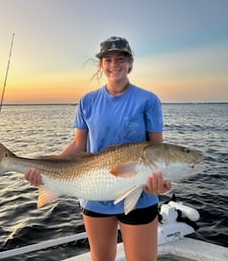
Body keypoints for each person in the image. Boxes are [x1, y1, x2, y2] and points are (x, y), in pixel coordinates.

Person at [25, 36, 172, 261]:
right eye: (108, 59)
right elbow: (78, 145)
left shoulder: (148, 100)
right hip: (93, 192)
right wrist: (43, 169)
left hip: (140, 195)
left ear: (131, 62)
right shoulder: (87, 101)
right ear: (101, 65)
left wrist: (159, 183)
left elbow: (157, 150)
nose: (115, 65)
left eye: (121, 58)